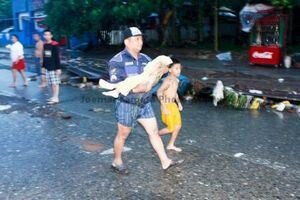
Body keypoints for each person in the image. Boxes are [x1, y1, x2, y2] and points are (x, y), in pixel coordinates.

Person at [109, 27, 182, 174]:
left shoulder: (147, 60)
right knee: (123, 135)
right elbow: (121, 85)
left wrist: (162, 71)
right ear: (127, 41)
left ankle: (165, 161)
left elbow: (155, 78)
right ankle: (117, 161)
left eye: (141, 39)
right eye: (137, 39)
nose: (140, 42)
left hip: (144, 104)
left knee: (154, 132)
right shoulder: (116, 61)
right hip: (127, 104)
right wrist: (141, 87)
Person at [99, 55, 173, 98]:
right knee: (130, 81)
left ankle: (115, 89)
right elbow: (149, 69)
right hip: (145, 77)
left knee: (132, 82)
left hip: (146, 81)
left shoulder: (159, 72)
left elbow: (151, 82)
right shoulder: (157, 68)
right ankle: (114, 89)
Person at [157, 58, 183, 152]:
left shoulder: (176, 80)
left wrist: (179, 103)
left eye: (179, 68)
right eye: (176, 68)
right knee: (171, 128)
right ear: (170, 70)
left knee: (178, 126)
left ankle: (171, 144)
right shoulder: (167, 81)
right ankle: (155, 135)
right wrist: (164, 107)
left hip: (173, 105)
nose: (178, 70)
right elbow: (159, 92)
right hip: (167, 106)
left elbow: (175, 93)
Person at [42, 29, 61, 104]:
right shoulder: (45, 44)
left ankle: (56, 98)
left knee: (55, 83)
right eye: (45, 35)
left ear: (51, 36)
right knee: (51, 83)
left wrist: (58, 68)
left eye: (48, 35)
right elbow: (45, 56)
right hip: (47, 67)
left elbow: (57, 57)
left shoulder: (54, 44)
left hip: (54, 67)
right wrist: (43, 67)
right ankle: (53, 96)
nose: (46, 36)